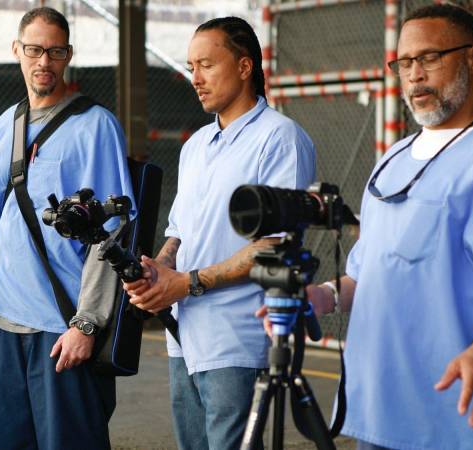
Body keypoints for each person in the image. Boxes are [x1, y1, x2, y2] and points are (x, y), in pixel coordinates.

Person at [285, 4, 473, 450]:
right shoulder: (391, 161)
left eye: (429, 58)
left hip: (459, 420)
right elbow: (368, 276)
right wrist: (321, 296)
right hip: (378, 416)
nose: (414, 75)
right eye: (404, 63)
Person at [123, 17, 316, 450]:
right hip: (184, 336)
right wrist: (159, 269)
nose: (196, 78)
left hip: (237, 337)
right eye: (192, 67)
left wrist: (187, 283)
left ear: (245, 66)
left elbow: (275, 246)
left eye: (207, 64)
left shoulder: (280, 138)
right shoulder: (195, 145)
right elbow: (179, 234)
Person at [0, 7, 134, 450]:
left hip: (61, 329)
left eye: (55, 52)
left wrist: (88, 323)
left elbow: (112, 233)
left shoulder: (96, 126)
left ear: (68, 55)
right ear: (17, 51)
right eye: (35, 50)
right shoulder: (5, 125)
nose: (44, 62)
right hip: (1, 325)